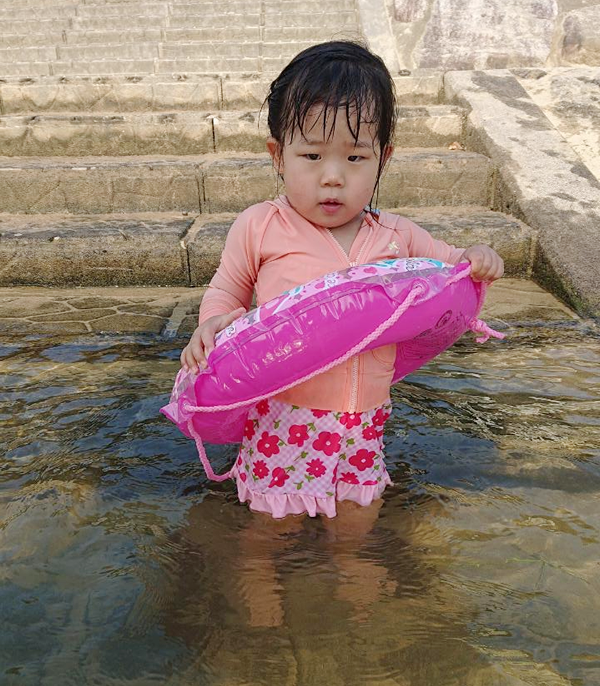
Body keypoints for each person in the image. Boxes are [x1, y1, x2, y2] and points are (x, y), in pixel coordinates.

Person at [180, 40, 504, 523]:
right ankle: (262, 597)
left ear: (383, 158)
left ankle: (355, 598)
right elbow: (227, 289)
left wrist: (479, 257)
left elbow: (454, 270)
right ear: (278, 155)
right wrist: (213, 324)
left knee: (358, 534)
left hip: (363, 424)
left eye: (355, 159)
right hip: (283, 419)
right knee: (267, 538)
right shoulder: (261, 226)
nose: (332, 177)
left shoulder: (398, 236)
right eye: (311, 155)